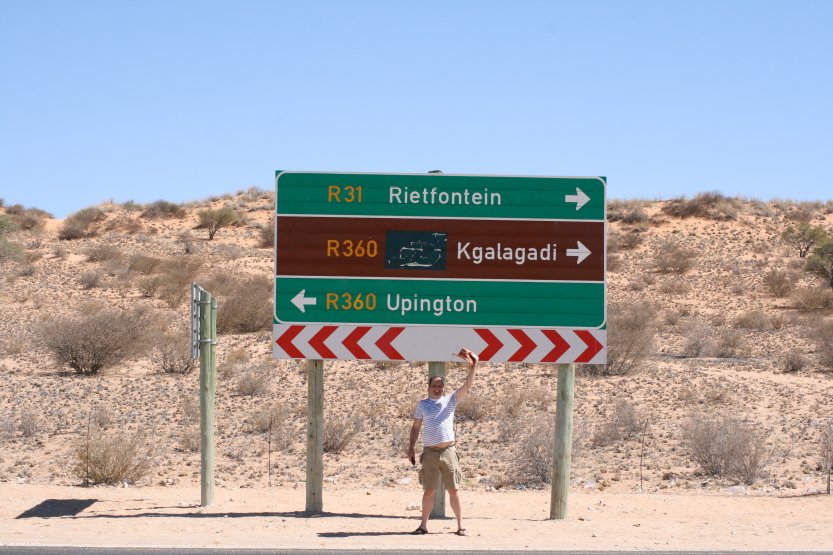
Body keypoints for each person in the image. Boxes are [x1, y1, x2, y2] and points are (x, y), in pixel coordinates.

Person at [407, 347, 478, 536]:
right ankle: (423, 525)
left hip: (448, 451)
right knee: (428, 491)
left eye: (440, 386)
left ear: (443, 387)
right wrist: (411, 448)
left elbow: (468, 386)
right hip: (430, 452)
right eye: (434, 386)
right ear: (429, 387)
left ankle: (460, 526)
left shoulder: (451, 400)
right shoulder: (423, 404)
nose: (437, 388)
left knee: (454, 490)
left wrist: (474, 366)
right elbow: (415, 427)